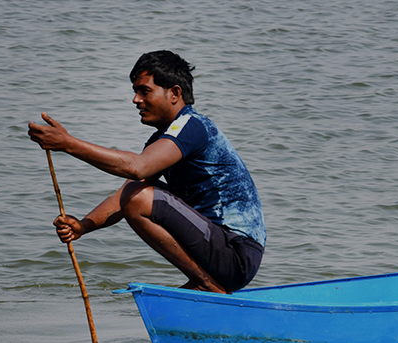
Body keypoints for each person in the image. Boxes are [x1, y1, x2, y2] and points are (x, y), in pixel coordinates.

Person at [27, 50, 265, 294]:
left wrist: (68, 144)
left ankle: (206, 285)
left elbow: (138, 167)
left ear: (174, 93)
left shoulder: (192, 125)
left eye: (145, 91)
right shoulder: (162, 138)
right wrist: (83, 226)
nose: (135, 100)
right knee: (135, 192)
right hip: (220, 250)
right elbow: (126, 193)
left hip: (237, 252)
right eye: (135, 92)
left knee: (139, 197)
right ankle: (204, 284)